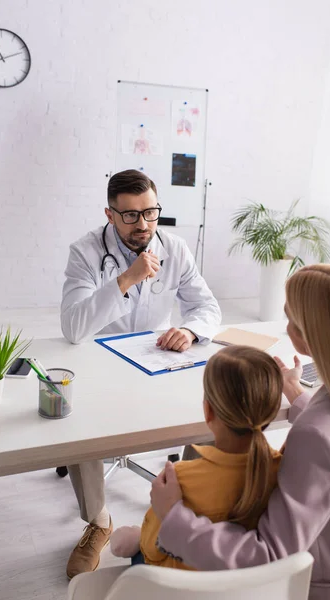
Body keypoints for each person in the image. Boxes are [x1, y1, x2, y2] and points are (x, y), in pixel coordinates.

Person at [151, 264, 330, 599]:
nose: (286, 327)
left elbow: (267, 556)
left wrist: (174, 517)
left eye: (291, 319)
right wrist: (299, 397)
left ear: (309, 336)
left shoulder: (318, 436)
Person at [61, 169, 221, 579]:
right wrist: (126, 278)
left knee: (211, 407)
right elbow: (74, 327)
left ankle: (184, 512)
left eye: (150, 212)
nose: (143, 225)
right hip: (100, 360)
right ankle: (98, 522)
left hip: (155, 359)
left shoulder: (176, 248)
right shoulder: (85, 252)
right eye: (130, 216)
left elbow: (208, 308)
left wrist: (188, 329)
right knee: (78, 418)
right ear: (110, 215)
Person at [110, 346, 283, 569]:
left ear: (208, 411)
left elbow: (153, 550)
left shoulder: (178, 479)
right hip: (240, 585)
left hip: (177, 584)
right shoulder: (283, 470)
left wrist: (141, 540)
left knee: (138, 548)